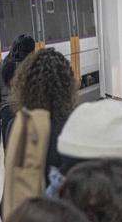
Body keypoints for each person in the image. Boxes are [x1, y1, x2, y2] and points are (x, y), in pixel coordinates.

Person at [9, 47, 78, 195]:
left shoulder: (17, 126)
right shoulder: (72, 128)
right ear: (67, 86)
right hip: (59, 213)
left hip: (26, 213)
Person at [0, 34, 37, 145]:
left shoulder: (2, 65)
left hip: (7, 112)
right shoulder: (35, 65)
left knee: (10, 151)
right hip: (30, 111)